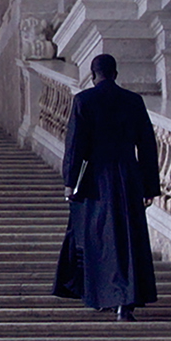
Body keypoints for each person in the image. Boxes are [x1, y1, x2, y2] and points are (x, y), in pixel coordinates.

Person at [55, 53, 161, 320]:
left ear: (93, 76)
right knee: (128, 238)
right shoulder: (133, 101)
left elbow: (76, 145)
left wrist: (70, 182)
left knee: (99, 239)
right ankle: (126, 302)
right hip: (128, 176)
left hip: (95, 180)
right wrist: (150, 186)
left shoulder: (84, 100)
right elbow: (147, 146)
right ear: (115, 73)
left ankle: (105, 296)